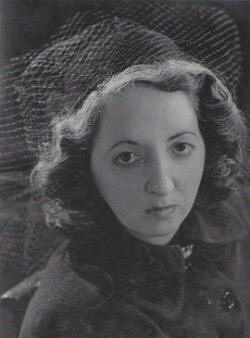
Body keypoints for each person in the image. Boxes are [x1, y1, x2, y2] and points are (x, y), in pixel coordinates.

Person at [0, 1, 250, 337]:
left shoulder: (232, 217)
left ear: (208, 144)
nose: (161, 185)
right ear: (84, 166)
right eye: (127, 158)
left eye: (180, 147)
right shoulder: (80, 315)